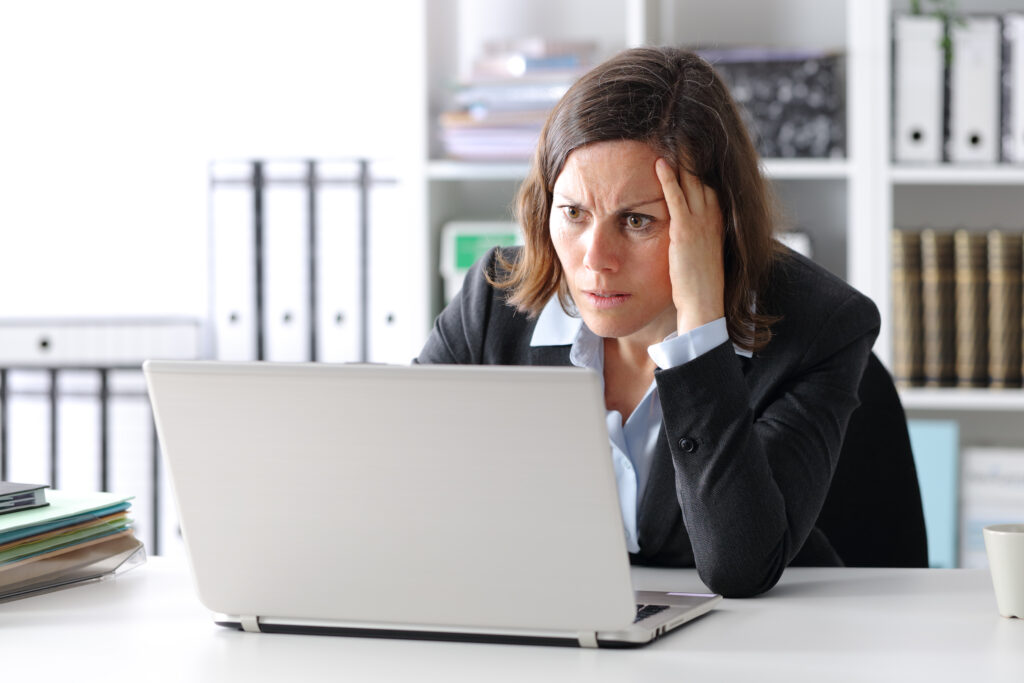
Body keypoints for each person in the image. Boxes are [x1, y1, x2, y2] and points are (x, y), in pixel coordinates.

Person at [416, 46, 880, 598]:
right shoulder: (493, 302)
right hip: (554, 618)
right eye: (573, 214)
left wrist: (701, 334)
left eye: (636, 220)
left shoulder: (823, 327)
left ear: (718, 224)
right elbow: (404, 487)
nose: (594, 258)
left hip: (758, 640)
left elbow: (739, 567)